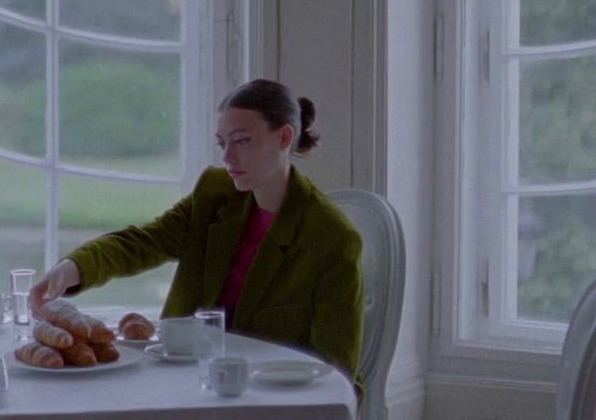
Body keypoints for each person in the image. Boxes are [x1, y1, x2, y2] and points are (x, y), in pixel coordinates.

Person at [29, 78, 364, 394]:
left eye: (242, 140)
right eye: (223, 143)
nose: (227, 157)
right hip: (186, 382)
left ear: (284, 138)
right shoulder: (215, 192)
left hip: (267, 396)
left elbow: (337, 370)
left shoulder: (331, 237)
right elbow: (145, 242)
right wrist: (72, 269)